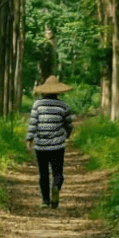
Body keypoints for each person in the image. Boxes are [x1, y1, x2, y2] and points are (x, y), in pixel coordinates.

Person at [25, 75, 75, 208]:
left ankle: (45, 201)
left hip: (41, 145)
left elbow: (33, 123)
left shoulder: (37, 105)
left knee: (43, 174)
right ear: (58, 91)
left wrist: (29, 138)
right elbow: (68, 125)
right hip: (58, 145)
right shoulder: (63, 106)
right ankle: (56, 187)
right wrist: (67, 135)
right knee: (58, 172)